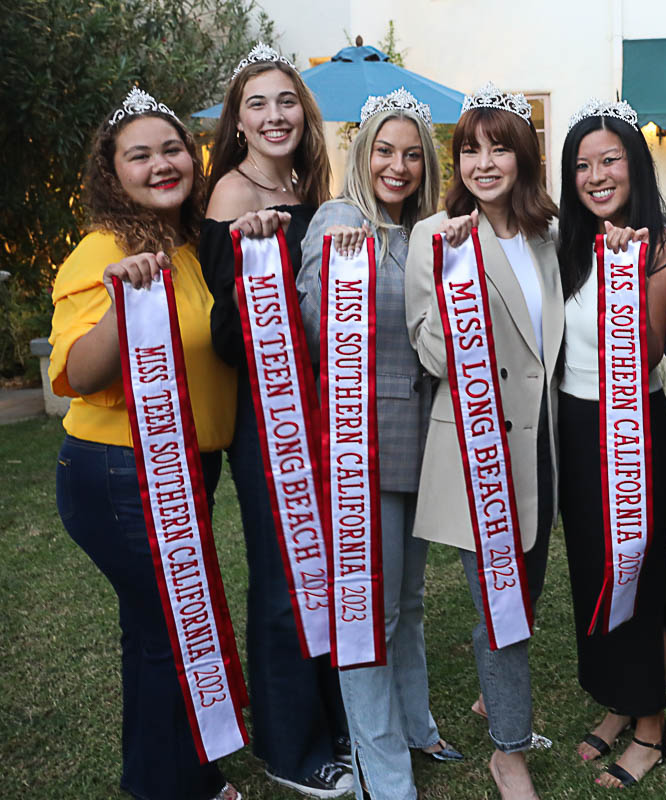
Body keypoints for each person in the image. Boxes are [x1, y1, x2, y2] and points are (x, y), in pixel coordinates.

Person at [49, 87, 240, 800]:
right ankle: (178, 787)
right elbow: (78, 372)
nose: (162, 164)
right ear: (113, 172)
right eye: (141, 155)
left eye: (172, 150)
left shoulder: (185, 243)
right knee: (172, 629)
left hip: (184, 469)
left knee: (153, 630)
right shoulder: (103, 251)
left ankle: (155, 775)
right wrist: (122, 300)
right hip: (123, 472)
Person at [295, 88, 461, 800]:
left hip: (427, 439)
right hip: (365, 445)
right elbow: (307, 324)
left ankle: (417, 724)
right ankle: (383, 768)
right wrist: (337, 273)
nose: (399, 166)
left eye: (413, 154)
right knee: (372, 611)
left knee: (412, 600)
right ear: (363, 155)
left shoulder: (427, 228)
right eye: (386, 151)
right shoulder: (340, 220)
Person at [197, 42, 352, 798]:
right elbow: (228, 334)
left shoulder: (306, 183)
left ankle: (332, 715)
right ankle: (290, 746)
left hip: (321, 403)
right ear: (237, 121)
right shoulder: (231, 195)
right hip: (270, 414)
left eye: (285, 100)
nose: (274, 115)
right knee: (285, 577)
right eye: (256, 104)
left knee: (322, 562)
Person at [404, 83, 562, 800]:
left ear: (523, 155)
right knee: (499, 606)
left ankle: (492, 699)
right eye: (470, 148)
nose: (484, 161)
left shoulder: (548, 237)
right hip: (477, 452)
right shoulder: (433, 235)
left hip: (544, 449)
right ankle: (508, 751)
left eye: (499, 146)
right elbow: (432, 353)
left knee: (521, 599)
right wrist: (452, 282)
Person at [556, 98, 666, 788]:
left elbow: (648, 348)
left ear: (635, 166)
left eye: (610, 159)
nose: (597, 174)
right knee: (591, 572)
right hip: (575, 427)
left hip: (632, 424)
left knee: (636, 571)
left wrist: (623, 275)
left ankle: (651, 728)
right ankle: (618, 699)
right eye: (582, 164)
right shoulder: (567, 240)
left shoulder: (663, 247)